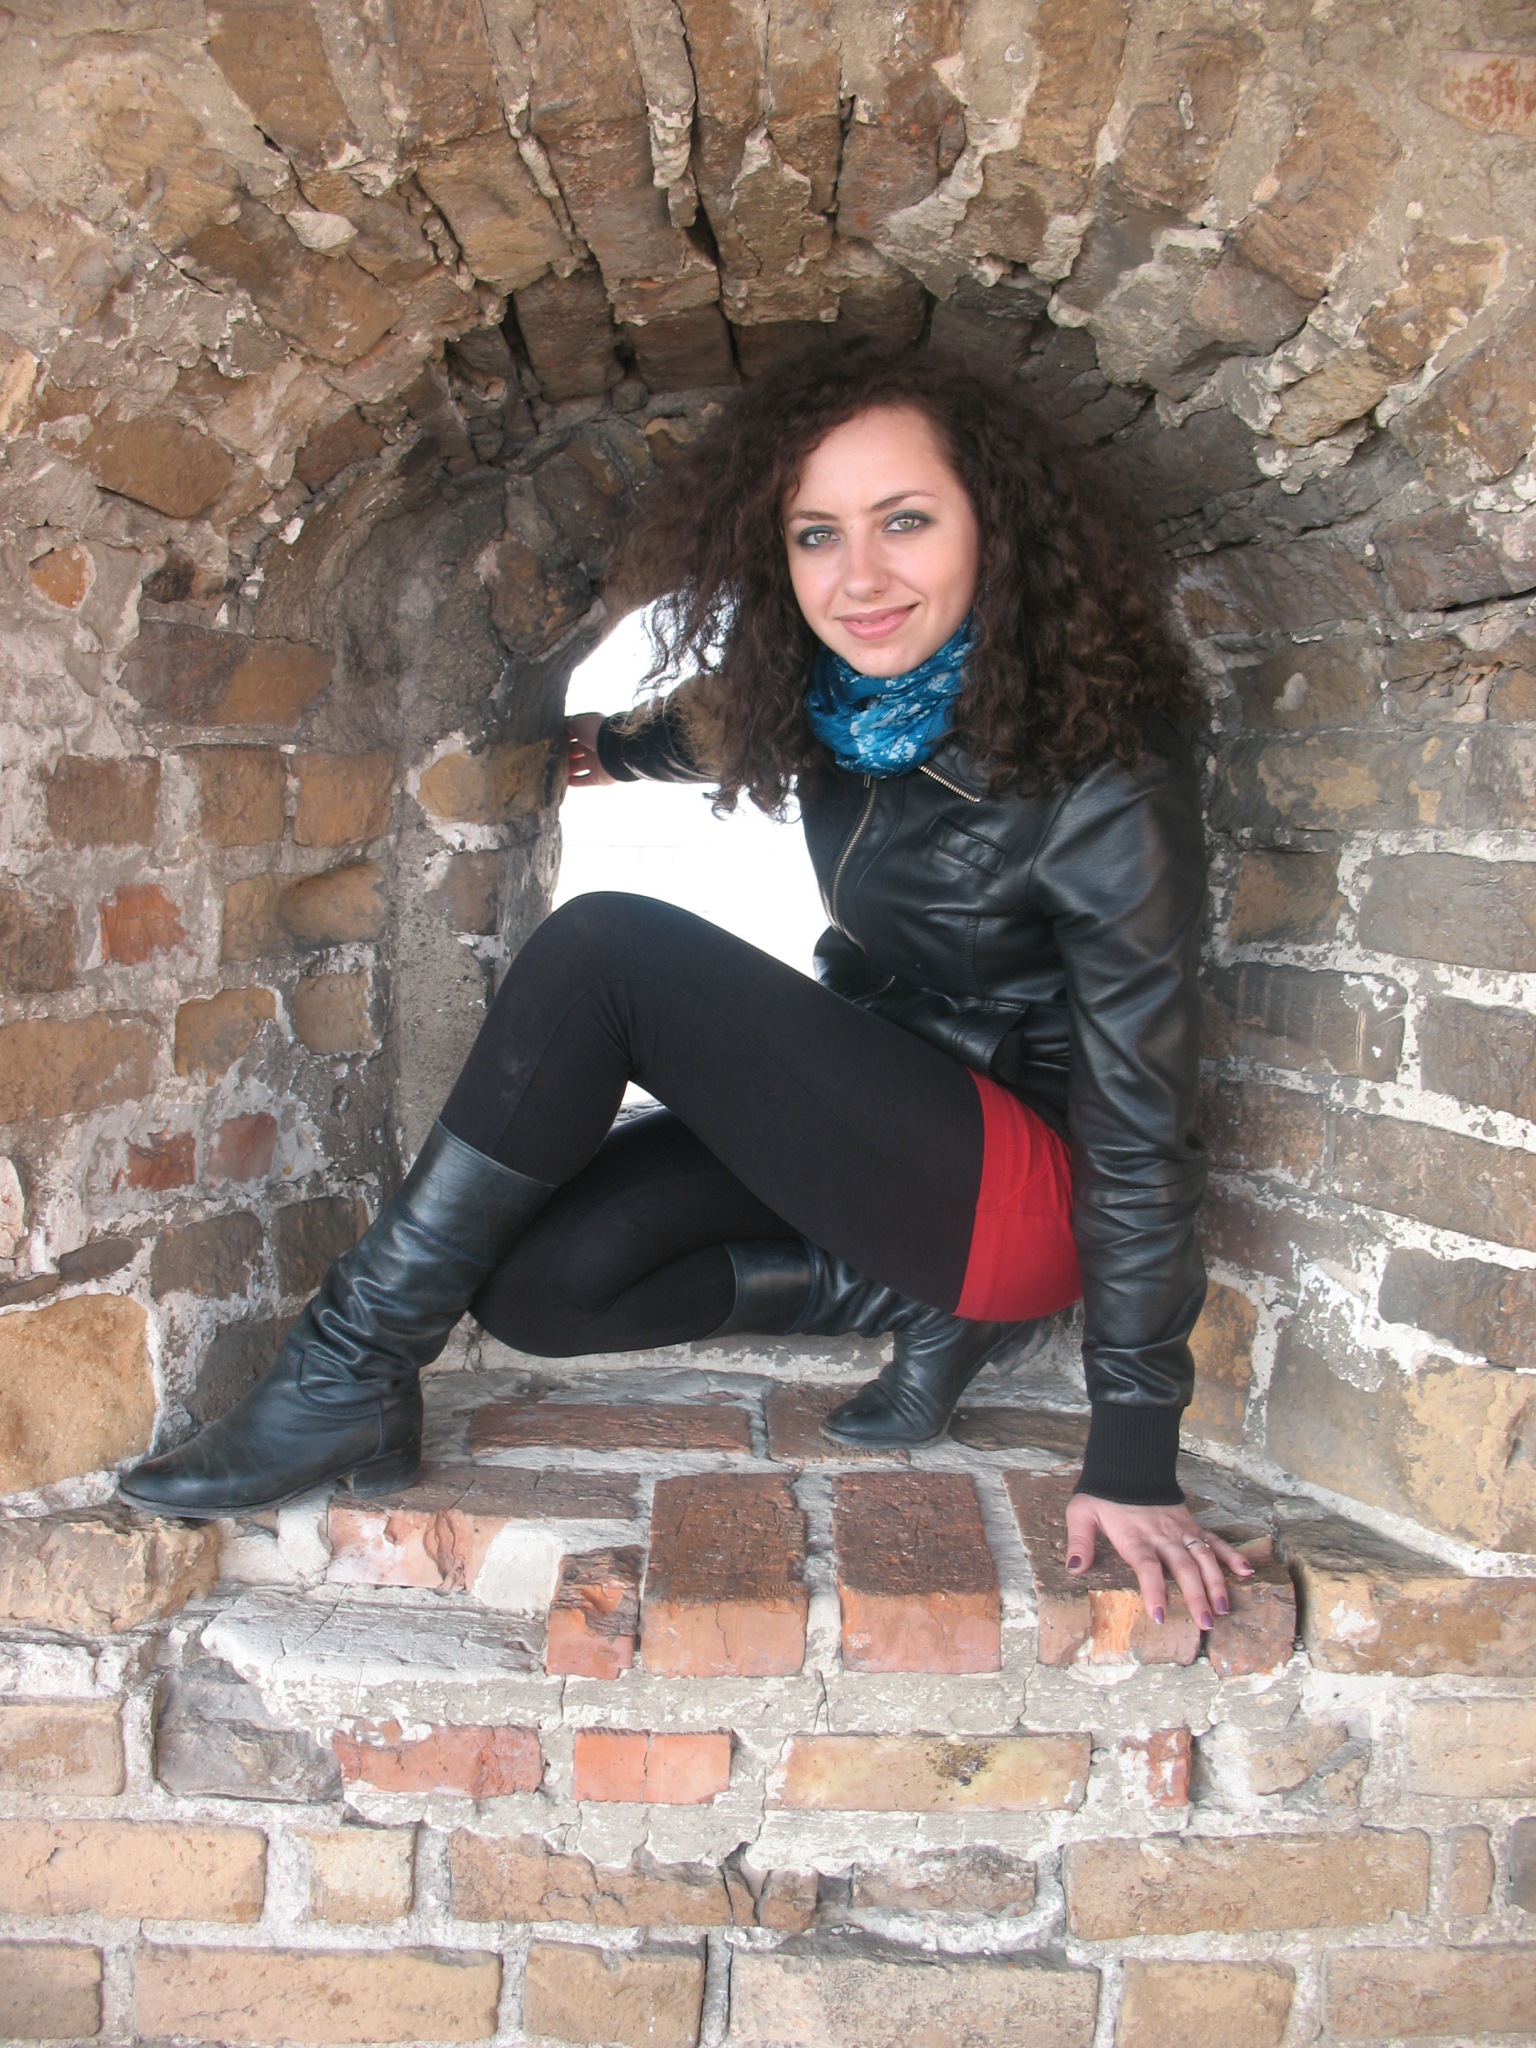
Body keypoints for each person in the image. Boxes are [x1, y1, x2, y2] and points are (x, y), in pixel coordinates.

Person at [121, 339, 1254, 1629]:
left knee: (607, 950)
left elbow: (1146, 1131)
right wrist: (605, 750)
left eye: (906, 522)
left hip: (1029, 1186)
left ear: (995, 530)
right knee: (541, 1288)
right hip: (891, 1113)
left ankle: (346, 1369)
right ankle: (911, 1295)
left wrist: (1134, 1452)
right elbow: (718, 723)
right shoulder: (835, 696)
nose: (859, 577)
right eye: (817, 535)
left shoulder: (1106, 777)